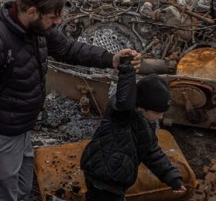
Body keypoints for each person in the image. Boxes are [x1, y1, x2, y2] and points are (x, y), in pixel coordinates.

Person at [0, 0, 141, 201]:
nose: (58, 21)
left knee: (21, 188)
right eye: (53, 16)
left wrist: (111, 59)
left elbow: (69, 50)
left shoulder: (37, 31)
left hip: (19, 128)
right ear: (32, 12)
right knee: (1, 196)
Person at [80, 68, 186, 200]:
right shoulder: (122, 115)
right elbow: (124, 99)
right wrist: (127, 70)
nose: (161, 117)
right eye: (157, 113)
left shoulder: (146, 122)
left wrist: (172, 177)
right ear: (141, 107)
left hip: (116, 180)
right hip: (104, 179)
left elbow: (151, 151)